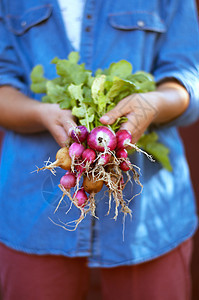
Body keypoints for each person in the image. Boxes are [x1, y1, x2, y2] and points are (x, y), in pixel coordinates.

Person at [0, 0, 199, 299]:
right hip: (32, 214)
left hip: (149, 220)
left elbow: (188, 75)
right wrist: (41, 113)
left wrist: (154, 104)